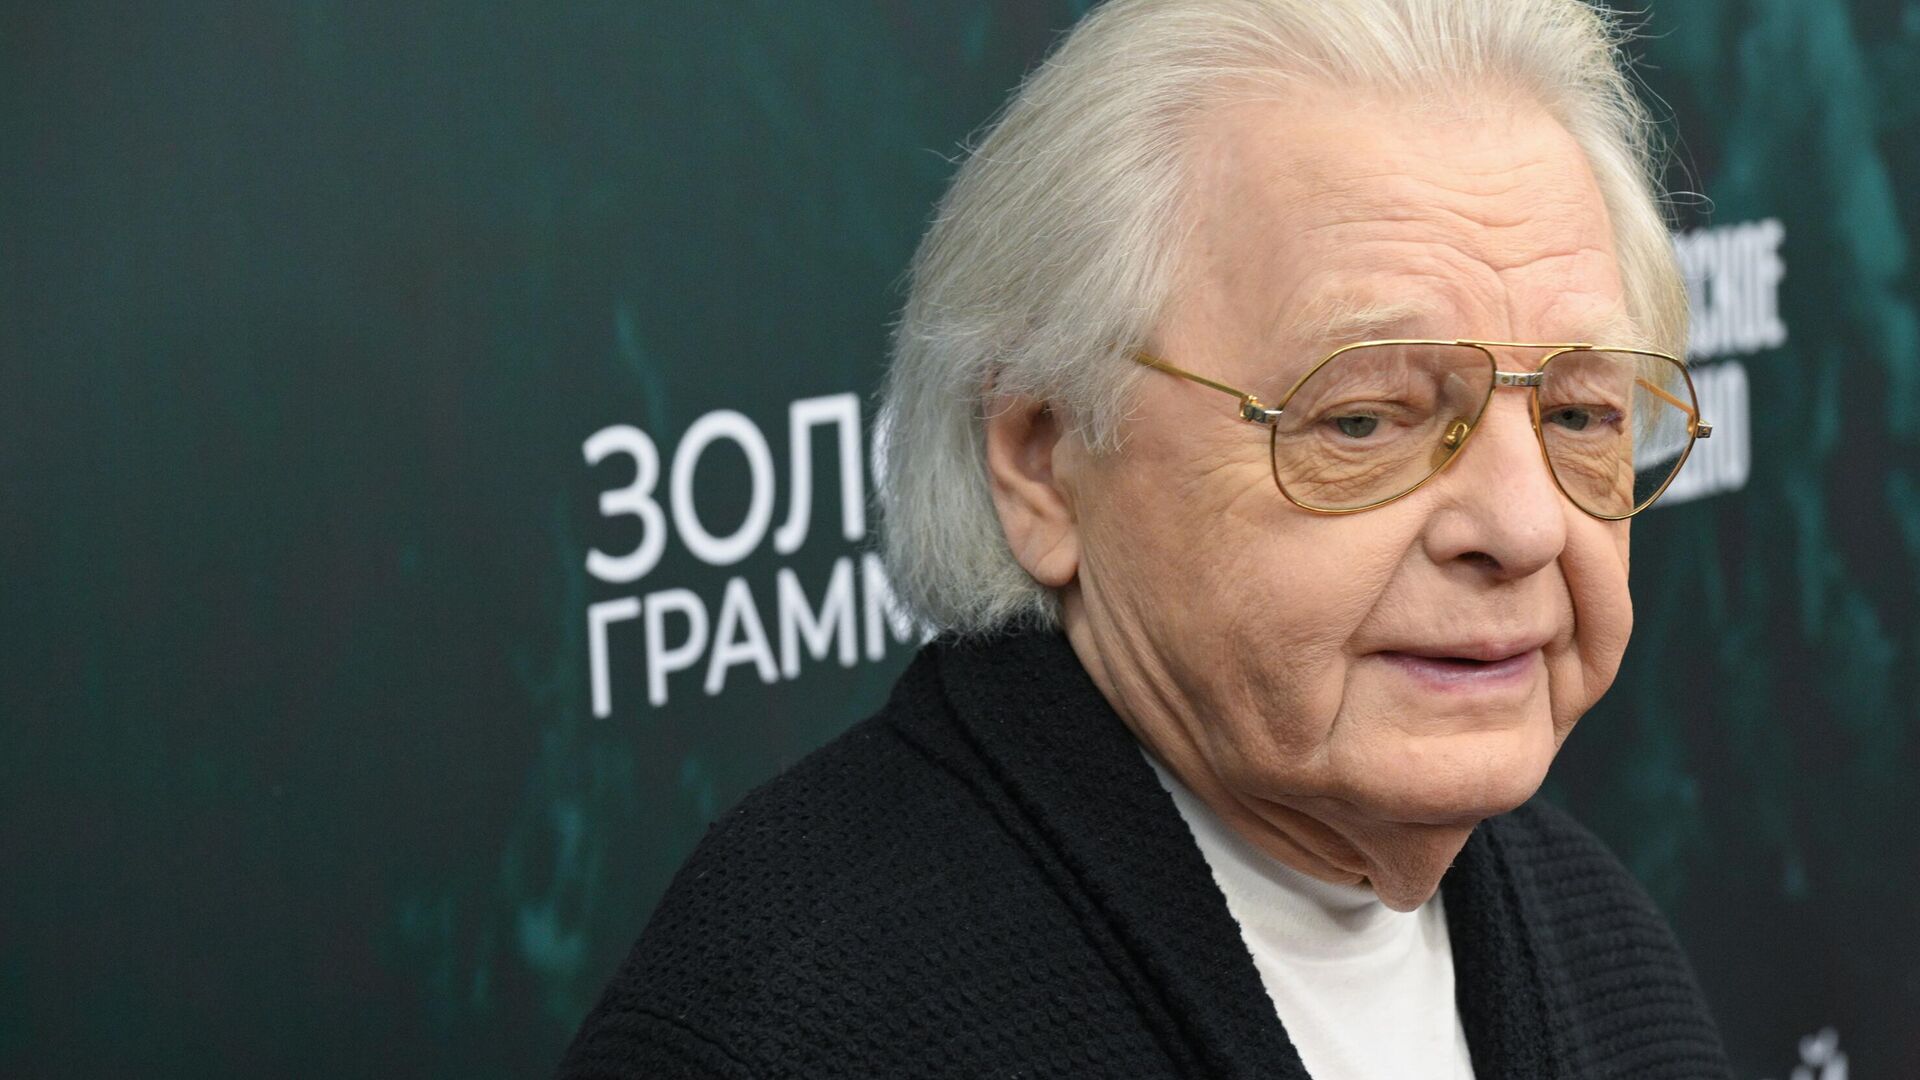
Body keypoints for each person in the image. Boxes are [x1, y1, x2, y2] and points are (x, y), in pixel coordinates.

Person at [561, 0, 1732, 1076]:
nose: (1525, 524)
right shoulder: (791, 1027)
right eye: (1365, 418)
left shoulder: (1602, 948)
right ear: (1044, 456)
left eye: (1580, 415)